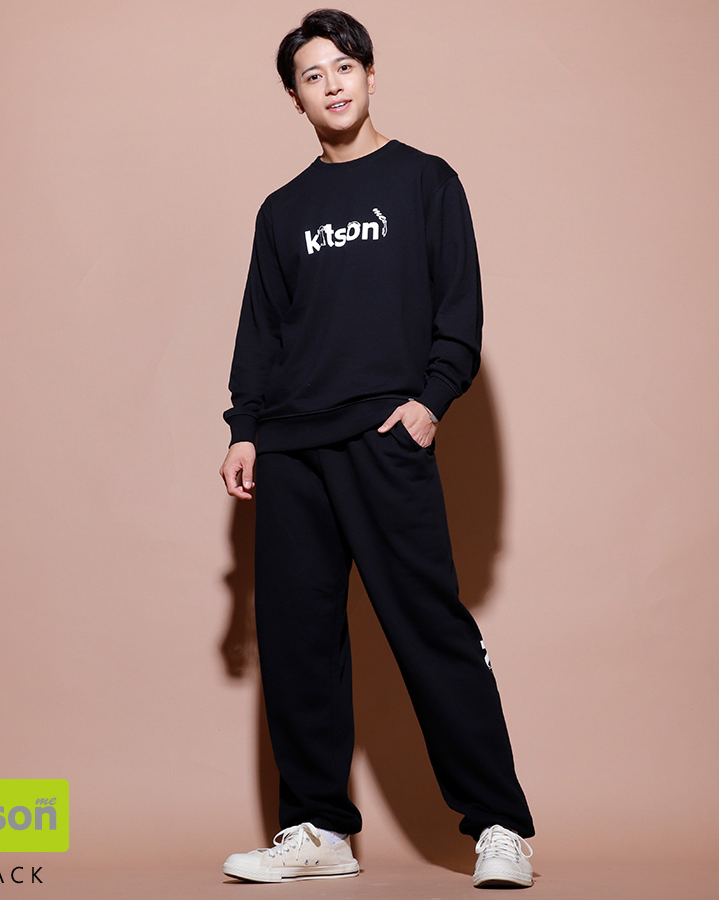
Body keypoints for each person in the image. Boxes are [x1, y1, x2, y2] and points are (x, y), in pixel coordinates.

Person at [218, 9, 535, 889]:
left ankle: (500, 826)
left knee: (430, 629)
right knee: (297, 645)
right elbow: (261, 333)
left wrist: (430, 403)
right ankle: (318, 828)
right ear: (295, 97)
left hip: (384, 440)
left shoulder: (426, 182)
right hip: (291, 450)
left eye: (345, 65)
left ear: (368, 74)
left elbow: (459, 311)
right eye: (313, 74)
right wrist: (246, 429)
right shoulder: (283, 211)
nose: (333, 83)